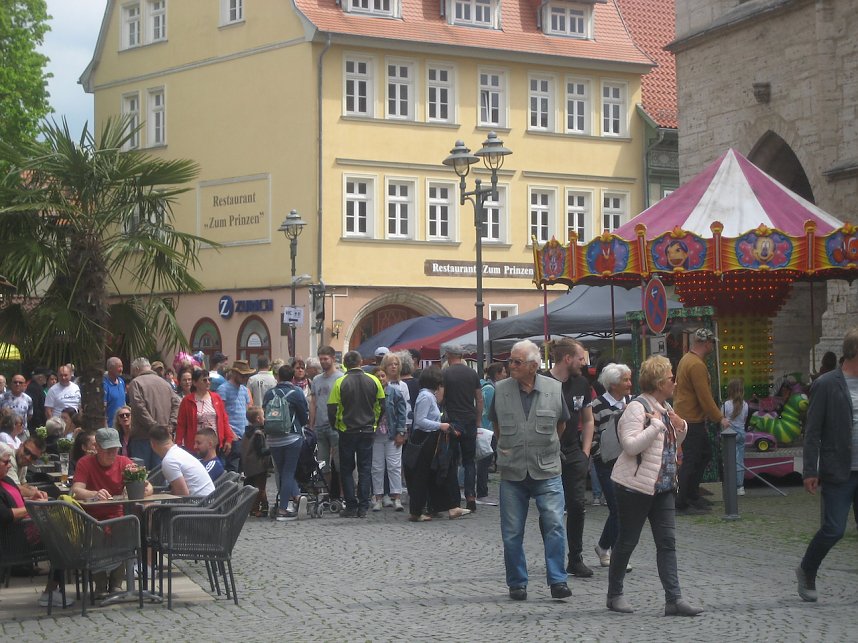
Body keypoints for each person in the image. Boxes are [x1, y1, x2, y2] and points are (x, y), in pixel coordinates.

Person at [606, 355, 703, 616]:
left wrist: (680, 428)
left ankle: (674, 599)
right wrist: (657, 426)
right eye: (672, 378)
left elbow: (669, 445)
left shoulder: (663, 407)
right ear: (660, 381)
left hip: (663, 487)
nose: (675, 382)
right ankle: (614, 594)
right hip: (635, 487)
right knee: (627, 541)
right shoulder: (637, 409)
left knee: (667, 542)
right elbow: (630, 445)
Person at [491, 340, 570, 601]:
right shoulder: (500, 390)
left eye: (517, 362)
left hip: (547, 469)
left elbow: (561, 424)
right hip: (512, 472)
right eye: (510, 361)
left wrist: (544, 446)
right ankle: (517, 583)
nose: (511, 366)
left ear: (534, 366)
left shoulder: (554, 389)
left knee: (555, 526)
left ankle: (558, 580)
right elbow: (498, 426)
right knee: (512, 532)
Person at [796, 327, 858, 603]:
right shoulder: (827, 384)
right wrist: (810, 470)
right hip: (838, 470)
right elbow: (813, 431)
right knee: (834, 528)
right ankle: (807, 569)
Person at [71, 427, 153, 596]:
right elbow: (76, 490)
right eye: (107, 449)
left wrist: (140, 488)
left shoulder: (124, 462)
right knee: (95, 534)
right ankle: (100, 585)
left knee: (125, 529)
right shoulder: (85, 463)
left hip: (118, 515)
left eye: (114, 449)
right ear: (97, 447)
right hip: (92, 516)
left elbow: (148, 485)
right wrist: (95, 494)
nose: (111, 453)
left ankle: (117, 584)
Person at [545, 338, 596, 578]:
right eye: (580, 358)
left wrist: (586, 452)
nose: (583, 363)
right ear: (568, 358)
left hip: (574, 452)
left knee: (577, 505)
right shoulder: (543, 381)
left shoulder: (581, 383)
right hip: (547, 452)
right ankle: (552, 559)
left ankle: (575, 558)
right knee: (552, 510)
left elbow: (588, 420)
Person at [0, 449, 75, 609]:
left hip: (26, 528)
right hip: (14, 536)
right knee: (61, 539)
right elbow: (6, 515)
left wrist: (33, 498)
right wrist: (34, 507)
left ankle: (53, 589)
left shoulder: (6, 480)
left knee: (65, 532)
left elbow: (19, 501)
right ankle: (50, 591)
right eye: (5, 462)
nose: (8, 466)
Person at [673, 328, 730, 514]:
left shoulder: (687, 359)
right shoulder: (697, 365)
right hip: (691, 420)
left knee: (702, 455)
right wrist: (719, 418)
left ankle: (691, 495)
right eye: (712, 342)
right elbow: (704, 396)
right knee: (692, 459)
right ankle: (682, 501)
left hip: (687, 417)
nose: (713, 346)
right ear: (706, 343)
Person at [405, 366, 471, 522]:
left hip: (429, 439)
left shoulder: (426, 396)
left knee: (436, 473)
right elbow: (420, 421)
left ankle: (447, 507)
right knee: (426, 474)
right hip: (426, 440)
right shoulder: (426, 397)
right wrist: (440, 425)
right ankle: (419, 510)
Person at [328, 350, 386, 518]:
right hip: (367, 430)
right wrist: (374, 423)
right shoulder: (374, 380)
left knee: (346, 469)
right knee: (365, 468)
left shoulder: (340, 382)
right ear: (361, 362)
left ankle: (351, 506)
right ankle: (363, 506)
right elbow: (381, 405)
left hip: (347, 431)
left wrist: (337, 425)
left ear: (345, 364)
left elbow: (332, 408)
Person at [591, 363, 633, 568]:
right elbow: (591, 435)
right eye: (625, 380)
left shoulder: (633, 402)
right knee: (618, 508)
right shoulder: (597, 405)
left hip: (629, 462)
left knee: (623, 509)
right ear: (613, 384)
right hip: (607, 464)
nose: (630, 384)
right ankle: (617, 554)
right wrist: (599, 455)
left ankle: (604, 546)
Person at [263, 364, 309, 521]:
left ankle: (296, 496)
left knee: (283, 472)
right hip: (292, 437)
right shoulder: (296, 392)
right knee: (289, 472)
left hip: (273, 438)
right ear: (293, 378)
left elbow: (265, 413)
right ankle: (283, 509)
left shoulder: (269, 393)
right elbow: (304, 416)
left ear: (278, 377)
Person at [441, 344, 483, 513]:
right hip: (470, 420)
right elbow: (479, 399)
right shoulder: (472, 373)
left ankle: (454, 500)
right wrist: (478, 420)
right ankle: (471, 497)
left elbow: (441, 398)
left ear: (449, 355)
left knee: (451, 460)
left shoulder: (445, 374)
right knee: (469, 461)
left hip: (452, 422)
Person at [126, 357, 180, 469]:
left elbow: (139, 408)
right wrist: (170, 425)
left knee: (141, 475)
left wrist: (154, 426)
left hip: (143, 436)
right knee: (161, 474)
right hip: (163, 436)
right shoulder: (165, 383)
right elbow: (176, 404)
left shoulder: (135, 383)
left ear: (136, 369)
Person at [371, 358, 407, 512]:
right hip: (375, 436)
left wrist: (401, 432)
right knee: (377, 468)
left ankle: (396, 497)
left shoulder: (395, 393)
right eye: (378, 377)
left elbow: (401, 415)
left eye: (382, 376)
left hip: (392, 435)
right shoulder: (370, 393)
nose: (381, 379)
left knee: (394, 466)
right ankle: (378, 498)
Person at [308, 345, 344, 493]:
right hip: (320, 426)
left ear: (333, 359)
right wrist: (311, 424)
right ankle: (327, 493)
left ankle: (343, 494)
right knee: (322, 463)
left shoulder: (341, 377)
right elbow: (313, 402)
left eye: (325, 359)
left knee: (339, 462)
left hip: (336, 425)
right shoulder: (316, 380)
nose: (323, 362)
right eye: (321, 359)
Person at [176, 368, 234, 456]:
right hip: (195, 447)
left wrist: (229, 439)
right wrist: (178, 444)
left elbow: (224, 420)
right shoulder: (187, 401)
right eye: (204, 380)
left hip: (215, 446)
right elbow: (181, 424)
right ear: (195, 383)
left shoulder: (216, 398)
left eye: (209, 379)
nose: (208, 382)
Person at [150, 424, 215, 497]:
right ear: (171, 437)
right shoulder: (179, 453)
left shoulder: (169, 461)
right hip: (208, 501)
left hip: (201, 504)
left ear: (153, 444)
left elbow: (183, 494)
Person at [478, 362, 507, 504]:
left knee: (484, 461)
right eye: (503, 372)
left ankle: (481, 491)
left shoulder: (484, 386)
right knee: (485, 461)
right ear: (497, 374)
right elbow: (493, 412)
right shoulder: (490, 390)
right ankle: (482, 493)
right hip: (488, 431)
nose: (506, 375)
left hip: (484, 430)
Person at [219, 360, 255, 472]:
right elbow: (221, 413)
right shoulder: (223, 389)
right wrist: (230, 433)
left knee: (241, 470)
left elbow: (248, 409)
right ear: (234, 373)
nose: (245, 378)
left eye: (247, 375)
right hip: (232, 435)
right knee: (232, 469)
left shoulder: (244, 390)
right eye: (243, 375)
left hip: (243, 434)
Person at [240, 408, 269, 516]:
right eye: (263, 416)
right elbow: (260, 451)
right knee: (260, 488)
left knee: (252, 486)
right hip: (258, 465)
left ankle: (262, 507)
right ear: (258, 418)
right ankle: (255, 508)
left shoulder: (247, 432)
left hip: (248, 465)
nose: (264, 418)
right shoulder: (258, 434)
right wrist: (272, 451)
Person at [722, 378, 748, 496]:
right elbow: (745, 420)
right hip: (742, 433)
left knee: (730, 460)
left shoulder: (726, 405)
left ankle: (733, 485)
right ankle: (740, 486)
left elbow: (721, 419)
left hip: (730, 434)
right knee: (740, 460)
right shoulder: (745, 405)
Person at [2, 436, 49, 500]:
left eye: (33, 457)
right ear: (21, 446)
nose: (28, 457)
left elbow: (23, 483)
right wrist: (35, 492)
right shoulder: (8, 460)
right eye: (27, 451)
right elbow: (16, 489)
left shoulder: (23, 463)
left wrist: (31, 488)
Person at [103, 357, 126, 428]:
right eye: (119, 367)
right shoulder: (104, 384)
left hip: (122, 424)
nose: (121, 369)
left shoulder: (121, 381)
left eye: (121, 366)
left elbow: (124, 401)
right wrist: (105, 426)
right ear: (110, 369)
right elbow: (103, 407)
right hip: (110, 425)